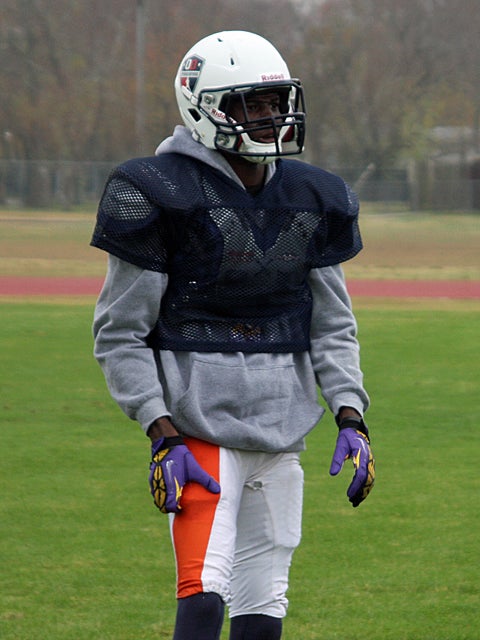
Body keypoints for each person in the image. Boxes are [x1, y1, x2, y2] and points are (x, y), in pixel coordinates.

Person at [91, 30, 375, 640]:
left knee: (265, 601)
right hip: (200, 438)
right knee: (203, 595)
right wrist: (161, 432)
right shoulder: (158, 190)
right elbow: (120, 334)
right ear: (206, 107)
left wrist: (351, 415)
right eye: (255, 104)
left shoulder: (310, 196)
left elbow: (332, 325)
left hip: (282, 435)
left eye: (277, 102)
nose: (273, 116)